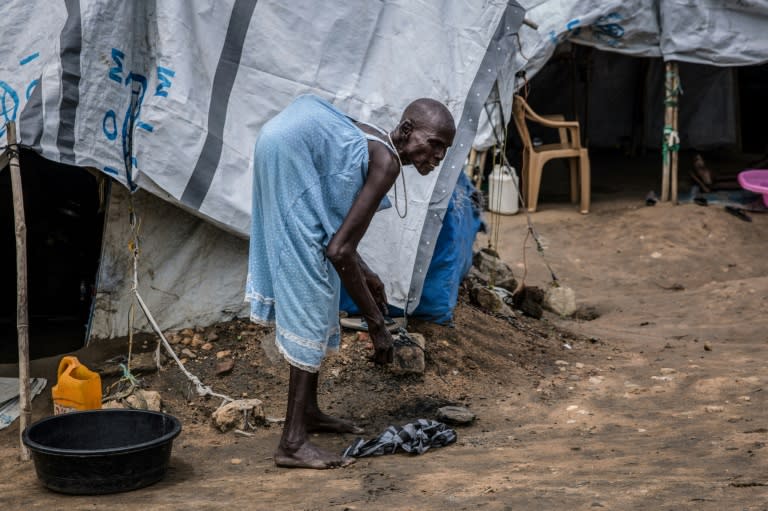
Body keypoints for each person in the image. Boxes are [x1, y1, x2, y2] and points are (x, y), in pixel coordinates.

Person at [245, 94, 455, 469]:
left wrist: (369, 274)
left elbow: (337, 235)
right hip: (287, 153)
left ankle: (307, 412)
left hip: (279, 141)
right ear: (407, 131)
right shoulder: (387, 161)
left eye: (444, 149)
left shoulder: (379, 143)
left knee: (320, 284)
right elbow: (339, 251)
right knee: (310, 294)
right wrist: (377, 323)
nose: (438, 156)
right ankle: (292, 442)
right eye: (434, 143)